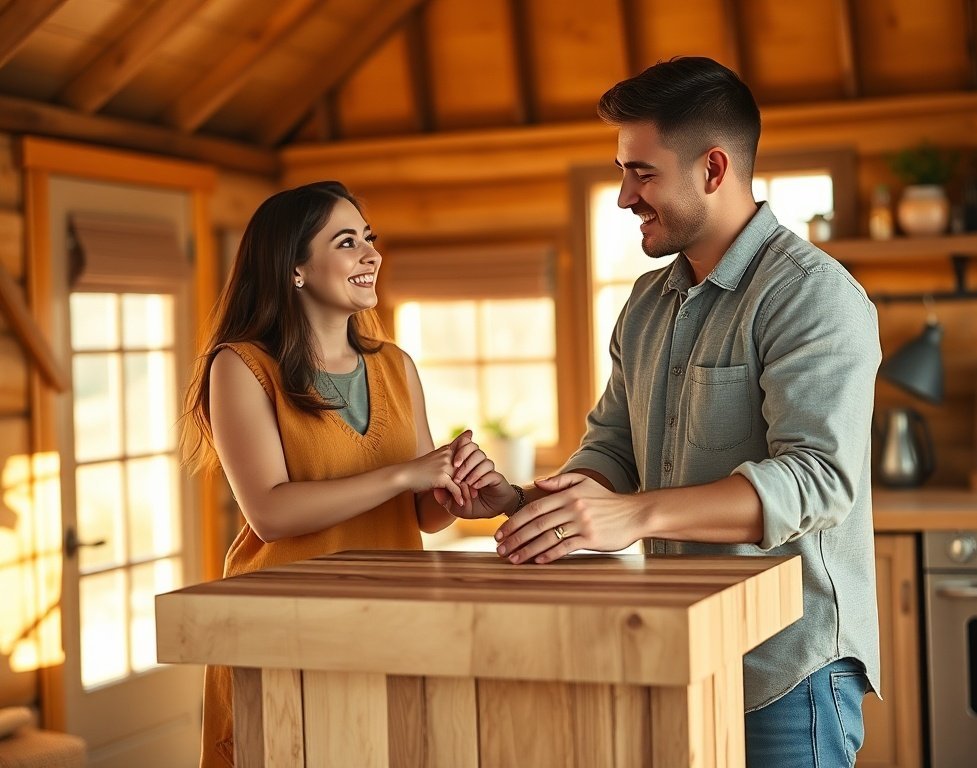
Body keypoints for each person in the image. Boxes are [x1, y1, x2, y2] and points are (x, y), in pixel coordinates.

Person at [486, 57, 882, 767]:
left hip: (785, 673)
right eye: (621, 171)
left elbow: (818, 479)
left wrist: (635, 514)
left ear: (713, 169)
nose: (622, 197)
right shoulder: (645, 304)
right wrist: (534, 500)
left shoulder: (812, 297)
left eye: (641, 173)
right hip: (676, 651)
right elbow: (612, 449)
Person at [181, 181, 508, 767]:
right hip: (280, 629)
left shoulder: (395, 365)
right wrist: (403, 475)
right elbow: (271, 513)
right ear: (296, 268)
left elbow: (422, 514)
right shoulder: (240, 366)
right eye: (347, 241)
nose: (371, 254)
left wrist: (459, 496)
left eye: (370, 239)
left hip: (387, 625)